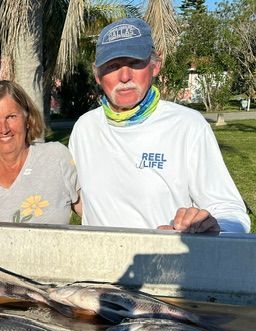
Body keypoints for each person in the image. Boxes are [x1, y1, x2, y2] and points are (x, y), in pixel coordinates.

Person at [69, 18, 250, 233]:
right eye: (113, 66)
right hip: (100, 263)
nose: (125, 76)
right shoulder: (85, 128)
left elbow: (232, 212)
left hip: (166, 263)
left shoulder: (187, 125)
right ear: (97, 75)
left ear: (155, 66)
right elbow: (77, 198)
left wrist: (214, 227)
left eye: (135, 63)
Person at [0, 80, 80, 224]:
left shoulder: (56, 159)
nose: (4, 129)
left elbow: (93, 214)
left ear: (27, 119)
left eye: (11, 117)